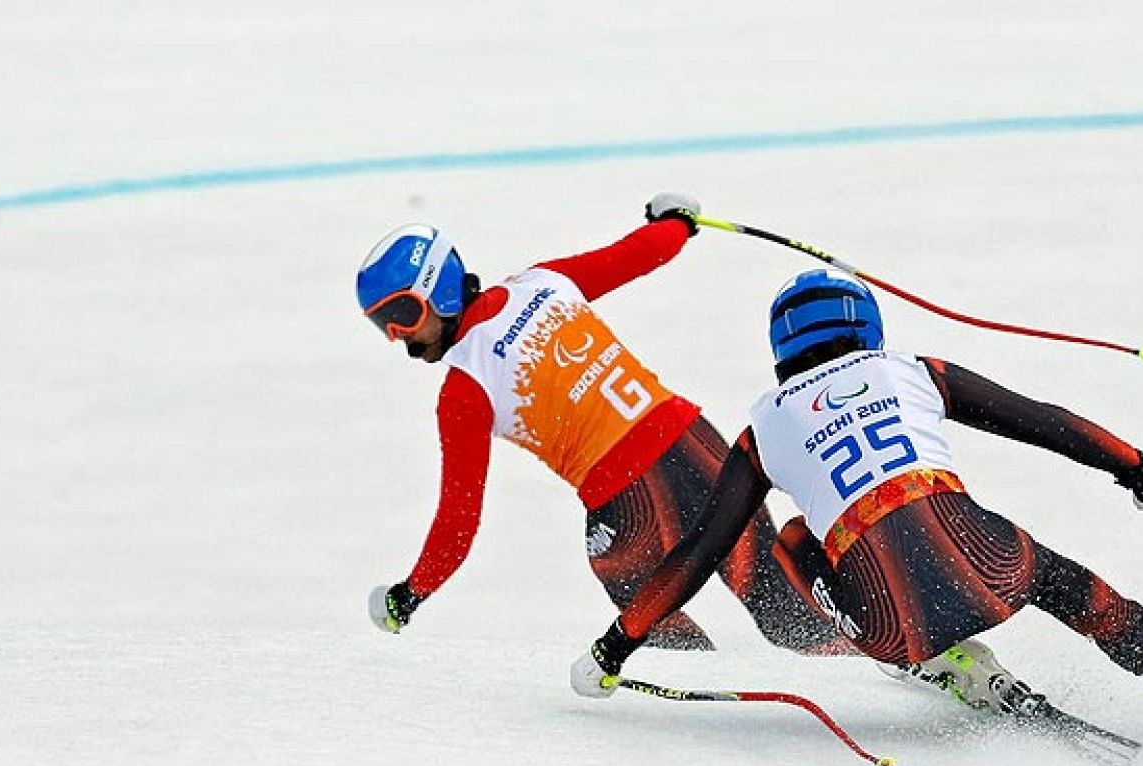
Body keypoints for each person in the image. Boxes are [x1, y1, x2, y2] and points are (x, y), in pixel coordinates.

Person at [573, 268, 1143, 714]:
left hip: (890, 625)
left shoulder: (763, 427)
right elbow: (1043, 421)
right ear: (864, 326)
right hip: (994, 567)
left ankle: (945, 663)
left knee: (796, 538)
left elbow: (697, 553)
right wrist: (1141, 467)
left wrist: (613, 647)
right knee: (1060, 581)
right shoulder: (910, 370)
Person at [357, 196, 852, 656]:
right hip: (694, 444)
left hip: (626, 503)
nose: (399, 336)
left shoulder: (464, 390)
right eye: (383, 325)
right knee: (778, 601)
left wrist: (412, 593)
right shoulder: (540, 283)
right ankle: (878, 661)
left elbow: (458, 519)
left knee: (651, 622)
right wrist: (676, 223)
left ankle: (698, 697)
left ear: (438, 291)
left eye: (402, 314)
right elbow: (639, 253)